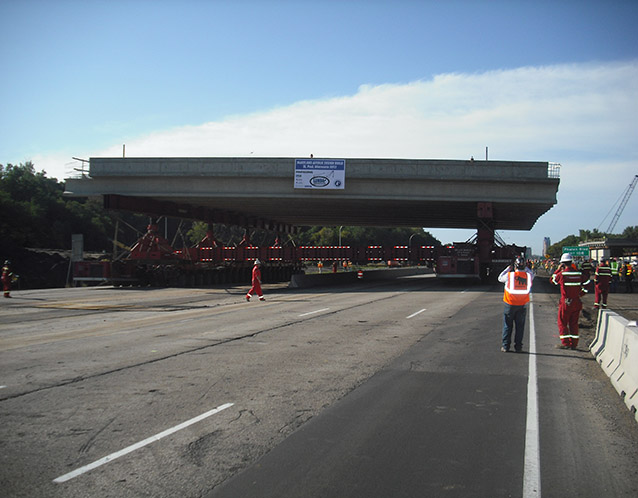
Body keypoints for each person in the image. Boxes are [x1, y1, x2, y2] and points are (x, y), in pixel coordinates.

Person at [551, 253, 590, 350]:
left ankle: (566, 343)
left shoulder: (562, 274)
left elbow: (553, 281)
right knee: (574, 323)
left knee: (562, 322)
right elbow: (587, 284)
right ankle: (574, 344)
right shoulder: (579, 274)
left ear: (563, 264)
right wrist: (580, 294)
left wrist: (558, 270)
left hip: (566, 302)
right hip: (576, 301)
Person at [498, 257, 534, 352]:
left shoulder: (509, 276)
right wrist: (526, 268)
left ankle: (506, 346)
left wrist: (507, 269)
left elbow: (499, 278)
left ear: (515, 266)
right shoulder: (528, 276)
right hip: (522, 305)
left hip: (509, 305)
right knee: (520, 327)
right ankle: (518, 347)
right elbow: (531, 273)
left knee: (507, 326)